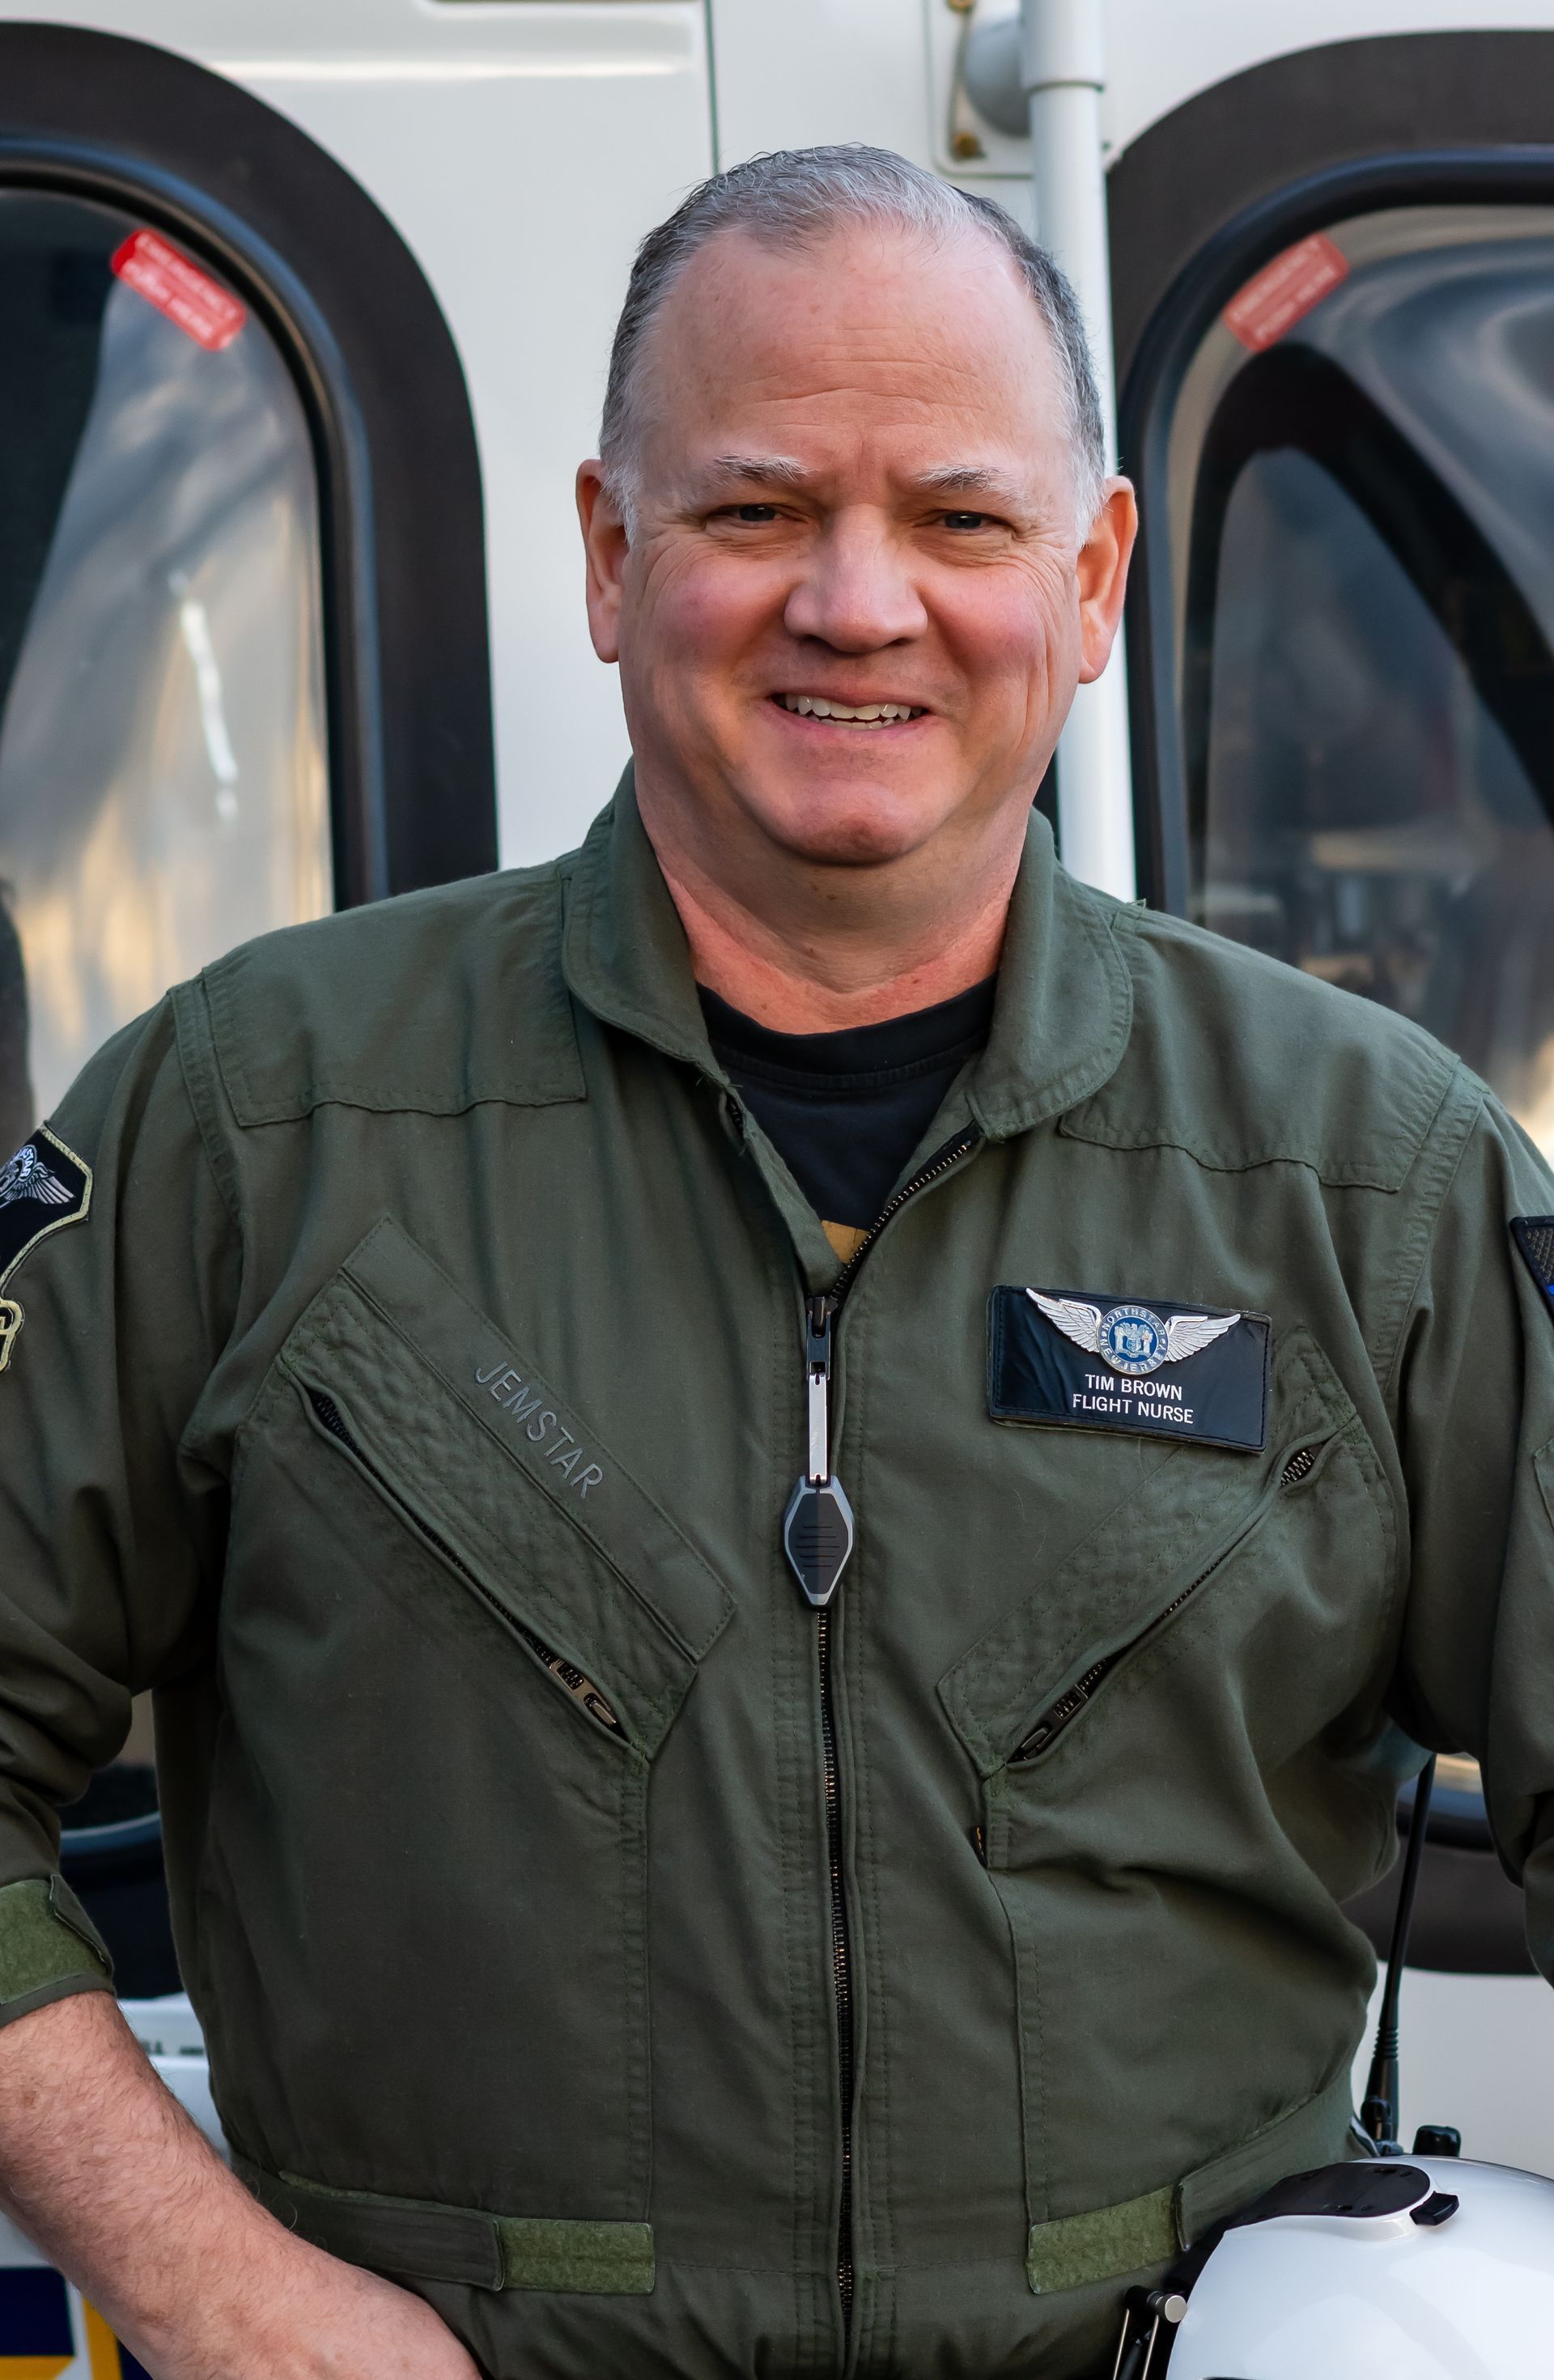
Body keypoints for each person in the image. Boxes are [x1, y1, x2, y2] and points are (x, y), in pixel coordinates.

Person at [0, 144, 1549, 2380]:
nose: (856, 600)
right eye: (752, 511)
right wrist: (211, 2285)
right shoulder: (254, 1123)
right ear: (613, 557)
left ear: (1093, 577)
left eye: (957, 518)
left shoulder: (1368, 1175)